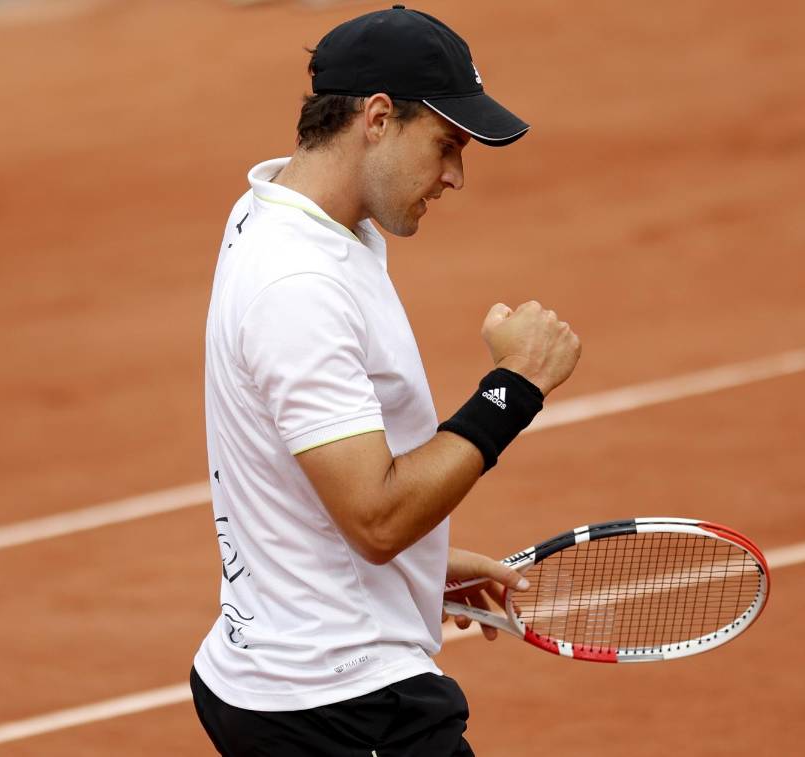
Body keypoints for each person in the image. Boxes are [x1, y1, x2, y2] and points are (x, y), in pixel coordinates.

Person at [189, 7, 581, 755]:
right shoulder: (297, 282)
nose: (455, 176)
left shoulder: (291, 215)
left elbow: (301, 472)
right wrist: (516, 385)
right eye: (446, 144)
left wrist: (420, 570)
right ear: (376, 118)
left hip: (299, 673)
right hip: (340, 704)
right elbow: (375, 519)